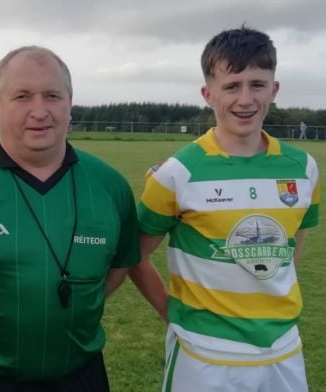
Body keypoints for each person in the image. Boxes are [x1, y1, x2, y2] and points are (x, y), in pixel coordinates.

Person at [0, 46, 140, 391]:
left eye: (52, 95)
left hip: (82, 375)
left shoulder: (111, 187)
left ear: (69, 103)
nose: (40, 111)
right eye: (22, 96)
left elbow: (115, 271)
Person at [129, 26, 320, 392]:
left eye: (257, 84)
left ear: (274, 90)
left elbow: (293, 244)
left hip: (283, 352)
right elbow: (134, 255)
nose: (245, 99)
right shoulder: (177, 172)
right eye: (232, 86)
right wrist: (170, 312)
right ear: (208, 94)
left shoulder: (304, 168)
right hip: (205, 355)